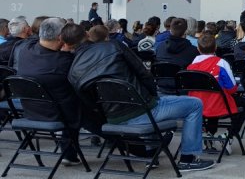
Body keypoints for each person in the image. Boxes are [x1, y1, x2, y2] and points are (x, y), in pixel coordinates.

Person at [68, 24, 215, 172]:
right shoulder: (114, 46)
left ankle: (151, 154)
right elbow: (144, 73)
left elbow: (90, 103)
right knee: (194, 104)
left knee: (150, 105)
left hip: (113, 119)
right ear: (87, 35)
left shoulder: (73, 71)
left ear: (68, 44)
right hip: (141, 111)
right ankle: (187, 159)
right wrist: (152, 97)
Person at [17, 18, 102, 166]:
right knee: (88, 106)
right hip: (61, 114)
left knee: (70, 99)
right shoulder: (64, 61)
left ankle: (69, 154)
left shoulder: (26, 50)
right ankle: (135, 146)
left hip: (31, 111)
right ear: (60, 38)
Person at [187, 34, 245, 145]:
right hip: (217, 104)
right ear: (215, 47)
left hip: (197, 105)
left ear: (198, 48)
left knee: (212, 95)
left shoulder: (191, 66)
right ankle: (229, 135)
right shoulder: (221, 63)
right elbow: (232, 89)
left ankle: (210, 133)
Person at [154, 18, 199, 92]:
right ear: (185, 32)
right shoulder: (193, 51)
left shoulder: (160, 47)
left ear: (170, 31)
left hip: (162, 88)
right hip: (183, 89)